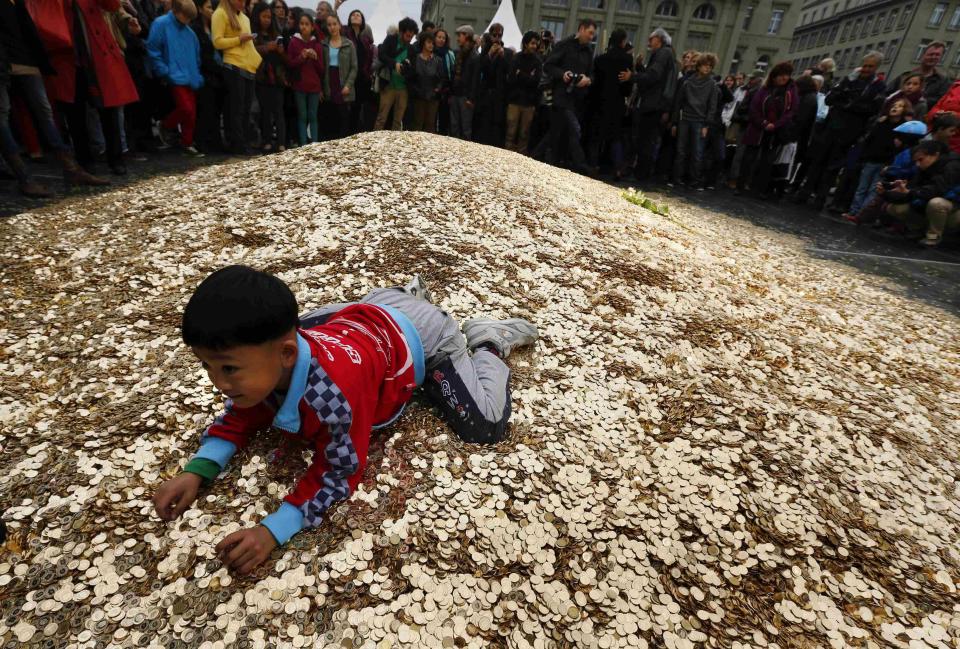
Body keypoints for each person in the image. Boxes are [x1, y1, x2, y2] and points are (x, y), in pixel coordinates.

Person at [152, 267, 538, 574]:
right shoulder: (265, 366)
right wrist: (196, 470)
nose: (218, 383)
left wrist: (273, 529)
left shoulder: (332, 399)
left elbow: (339, 471)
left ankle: (488, 340)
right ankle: (405, 297)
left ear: (289, 354)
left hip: (425, 334)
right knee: (296, 333)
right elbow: (239, 416)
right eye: (208, 366)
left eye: (229, 369)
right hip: (368, 312)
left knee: (484, 426)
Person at [0, 0, 109, 196]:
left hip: (24, 59)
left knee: (44, 112)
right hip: (6, 62)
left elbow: (26, 27)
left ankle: (71, 169)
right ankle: (25, 178)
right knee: (3, 117)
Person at [796, 51, 886, 209]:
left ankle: (820, 199)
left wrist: (848, 103)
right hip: (832, 126)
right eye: (864, 65)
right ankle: (804, 193)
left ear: (876, 68)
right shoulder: (848, 80)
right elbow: (831, 99)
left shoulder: (878, 86)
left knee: (833, 167)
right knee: (818, 161)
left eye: (870, 67)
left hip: (850, 132)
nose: (865, 69)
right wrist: (846, 91)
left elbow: (871, 108)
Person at [147, 0, 205, 156]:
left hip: (189, 77)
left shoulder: (189, 33)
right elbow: (153, 49)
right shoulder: (161, 24)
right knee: (186, 109)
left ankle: (186, 142)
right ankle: (166, 126)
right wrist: (164, 71)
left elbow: (196, 56)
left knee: (191, 113)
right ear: (177, 12)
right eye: (186, 17)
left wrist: (197, 75)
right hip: (174, 76)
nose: (188, 21)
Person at [881, 139, 960, 246]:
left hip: (953, 209)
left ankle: (933, 236)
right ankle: (917, 230)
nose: (918, 164)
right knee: (894, 208)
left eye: (921, 160)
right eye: (916, 161)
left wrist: (909, 192)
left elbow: (938, 190)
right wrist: (886, 192)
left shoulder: (952, 166)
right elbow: (914, 190)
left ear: (936, 155)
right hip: (930, 206)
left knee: (937, 203)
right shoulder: (924, 168)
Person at [737, 61, 798, 198]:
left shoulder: (790, 92)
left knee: (767, 162)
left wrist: (776, 125)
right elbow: (754, 109)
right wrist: (764, 123)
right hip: (757, 129)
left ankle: (759, 189)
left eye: (787, 75)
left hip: (775, 132)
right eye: (781, 75)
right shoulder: (764, 90)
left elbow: (791, 111)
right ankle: (741, 186)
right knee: (749, 158)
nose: (784, 78)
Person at [542, 19, 596, 175]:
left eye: (593, 34)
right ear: (581, 29)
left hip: (577, 99)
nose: (592, 37)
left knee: (556, 132)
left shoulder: (588, 52)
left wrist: (588, 79)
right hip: (561, 96)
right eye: (590, 33)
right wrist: (562, 74)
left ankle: (539, 157)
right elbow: (548, 65)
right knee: (574, 129)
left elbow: (592, 74)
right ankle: (581, 165)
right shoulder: (564, 45)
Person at [846, 97, 912, 217]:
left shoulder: (903, 128)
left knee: (873, 189)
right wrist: (864, 156)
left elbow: (900, 149)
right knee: (862, 187)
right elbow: (870, 140)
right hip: (871, 159)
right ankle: (853, 211)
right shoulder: (881, 122)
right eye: (894, 105)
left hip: (885, 163)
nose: (895, 107)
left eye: (900, 106)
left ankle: (861, 214)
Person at [212, 0, 261, 155]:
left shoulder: (245, 18)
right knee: (236, 108)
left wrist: (256, 59)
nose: (242, 3)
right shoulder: (220, 13)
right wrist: (239, 39)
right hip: (233, 65)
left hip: (249, 66)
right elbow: (217, 42)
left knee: (246, 109)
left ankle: (244, 142)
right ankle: (237, 144)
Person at [630, 27, 677, 182]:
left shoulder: (663, 53)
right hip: (657, 104)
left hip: (653, 104)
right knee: (647, 140)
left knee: (645, 140)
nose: (649, 42)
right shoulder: (668, 54)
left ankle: (641, 174)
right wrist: (640, 68)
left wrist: (634, 76)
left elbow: (654, 76)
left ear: (659, 39)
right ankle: (642, 173)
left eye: (651, 39)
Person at [585, 29, 633, 179]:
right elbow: (627, 86)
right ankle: (617, 168)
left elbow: (595, 83)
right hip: (617, 103)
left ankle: (593, 166)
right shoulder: (627, 59)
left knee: (596, 137)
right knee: (615, 137)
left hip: (599, 102)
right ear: (623, 41)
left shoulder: (600, 59)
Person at [670, 52, 719, 189]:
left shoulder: (712, 85)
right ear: (699, 66)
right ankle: (677, 179)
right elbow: (678, 103)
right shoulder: (688, 82)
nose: (707, 68)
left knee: (697, 153)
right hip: (685, 119)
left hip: (699, 122)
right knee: (681, 151)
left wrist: (706, 125)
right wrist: (675, 123)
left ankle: (694, 181)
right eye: (705, 65)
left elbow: (712, 107)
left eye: (710, 66)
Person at [192, 0, 227, 153]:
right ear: (199, 9)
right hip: (205, 74)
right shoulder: (196, 29)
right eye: (208, 7)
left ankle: (216, 142)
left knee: (216, 110)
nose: (211, 11)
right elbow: (202, 56)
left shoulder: (215, 28)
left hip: (218, 74)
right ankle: (202, 142)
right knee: (206, 109)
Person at [252, 2, 288, 152]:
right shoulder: (253, 34)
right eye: (264, 16)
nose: (267, 20)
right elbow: (251, 51)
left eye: (269, 17)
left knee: (279, 111)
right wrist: (267, 48)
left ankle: (281, 142)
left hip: (277, 78)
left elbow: (286, 59)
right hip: (261, 77)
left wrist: (280, 50)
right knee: (265, 111)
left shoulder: (276, 34)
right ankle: (267, 141)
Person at [374, 17, 417, 131]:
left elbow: (414, 70)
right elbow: (381, 55)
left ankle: (396, 146)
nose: (409, 39)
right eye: (408, 35)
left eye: (412, 37)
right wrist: (395, 64)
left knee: (398, 121)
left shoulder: (411, 49)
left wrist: (406, 69)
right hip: (388, 85)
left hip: (403, 88)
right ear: (402, 31)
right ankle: (374, 144)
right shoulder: (391, 40)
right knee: (381, 118)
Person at [287, 13, 324, 145]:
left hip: (314, 86)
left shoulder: (317, 45)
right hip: (299, 85)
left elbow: (321, 70)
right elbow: (290, 63)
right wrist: (301, 57)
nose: (304, 27)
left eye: (307, 24)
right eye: (301, 24)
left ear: (312, 27)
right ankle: (303, 145)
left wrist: (315, 58)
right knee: (302, 115)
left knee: (313, 115)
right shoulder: (293, 42)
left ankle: (314, 144)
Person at [504, 31, 542, 154]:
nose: (534, 46)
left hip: (529, 103)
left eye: (536, 44)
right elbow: (511, 79)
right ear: (525, 44)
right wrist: (528, 77)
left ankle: (521, 160)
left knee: (524, 134)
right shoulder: (516, 58)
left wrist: (521, 74)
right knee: (510, 132)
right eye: (532, 43)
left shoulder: (537, 61)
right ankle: (506, 156)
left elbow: (536, 82)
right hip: (514, 101)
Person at [321, 13, 357, 139]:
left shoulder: (349, 44)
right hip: (329, 80)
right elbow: (321, 68)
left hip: (342, 81)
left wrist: (348, 85)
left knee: (344, 116)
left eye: (334, 24)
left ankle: (343, 143)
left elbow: (354, 67)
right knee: (330, 115)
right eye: (329, 25)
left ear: (339, 25)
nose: (332, 27)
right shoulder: (323, 44)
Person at [887, 42, 951, 109]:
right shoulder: (905, 76)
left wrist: (918, 100)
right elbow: (887, 93)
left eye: (937, 55)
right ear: (923, 55)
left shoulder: (943, 81)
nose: (933, 57)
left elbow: (941, 101)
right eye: (930, 54)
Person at [343, 10, 375, 134]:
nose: (355, 16)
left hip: (362, 78)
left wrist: (367, 73)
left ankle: (353, 135)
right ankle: (345, 134)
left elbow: (369, 58)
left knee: (357, 108)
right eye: (353, 14)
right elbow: (333, 24)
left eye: (358, 15)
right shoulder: (345, 33)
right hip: (349, 77)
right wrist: (336, 8)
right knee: (346, 108)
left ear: (362, 21)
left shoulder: (365, 40)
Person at [449, 25, 481, 140]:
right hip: (456, 95)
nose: (458, 38)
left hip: (465, 97)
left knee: (465, 128)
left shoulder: (474, 56)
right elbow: (454, 75)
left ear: (466, 36)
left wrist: (471, 98)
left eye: (460, 35)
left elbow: (475, 80)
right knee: (454, 126)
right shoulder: (458, 53)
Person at [409, 33, 443, 133]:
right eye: (428, 42)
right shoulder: (415, 59)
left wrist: (437, 89)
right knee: (417, 124)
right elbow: (411, 78)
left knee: (430, 125)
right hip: (418, 96)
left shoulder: (438, 60)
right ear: (423, 43)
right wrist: (416, 91)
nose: (431, 45)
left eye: (432, 43)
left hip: (433, 97)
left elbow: (442, 78)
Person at [434, 28, 456, 135]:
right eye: (439, 37)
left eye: (443, 38)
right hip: (432, 89)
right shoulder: (430, 51)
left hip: (445, 91)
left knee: (444, 118)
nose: (441, 40)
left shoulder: (450, 54)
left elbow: (453, 72)